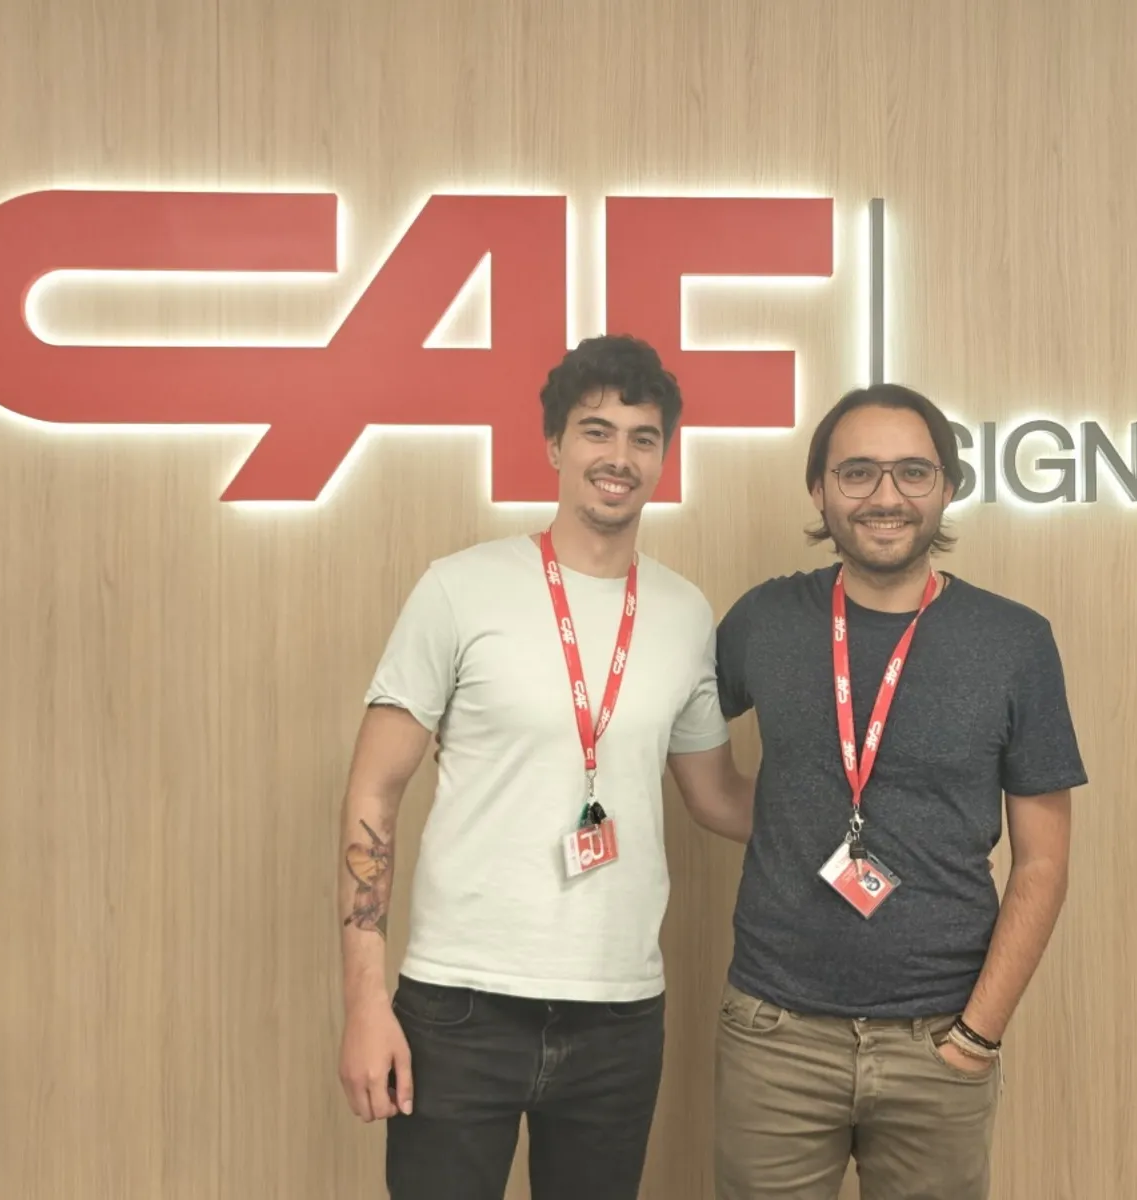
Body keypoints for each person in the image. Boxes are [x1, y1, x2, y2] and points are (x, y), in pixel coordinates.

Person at [334, 334, 754, 1200]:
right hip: (458, 1005)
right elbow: (375, 790)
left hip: (619, 1011)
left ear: (664, 459)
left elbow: (717, 797)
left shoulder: (682, 612)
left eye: (643, 438)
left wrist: (866, 802)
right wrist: (365, 1003)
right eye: (596, 431)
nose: (620, 457)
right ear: (556, 446)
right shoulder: (459, 587)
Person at [708, 383, 1088, 1200]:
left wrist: (977, 1036)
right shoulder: (763, 622)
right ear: (819, 489)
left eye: (913, 472)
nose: (886, 496)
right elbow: (676, 740)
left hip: (939, 1038)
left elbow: (1044, 863)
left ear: (948, 487)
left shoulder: (1015, 642)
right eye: (858, 473)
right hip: (775, 1035)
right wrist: (781, 823)